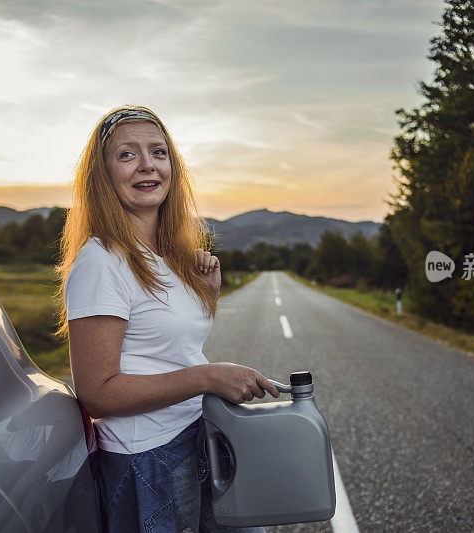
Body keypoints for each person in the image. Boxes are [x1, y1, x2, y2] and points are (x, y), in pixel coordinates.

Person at [57, 106, 279, 532]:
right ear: (102, 175)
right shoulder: (101, 261)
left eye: (158, 152)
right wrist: (208, 377)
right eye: (127, 154)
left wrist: (205, 298)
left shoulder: (167, 259)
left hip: (196, 437)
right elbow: (97, 393)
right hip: (148, 462)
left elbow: (166, 349)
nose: (147, 165)